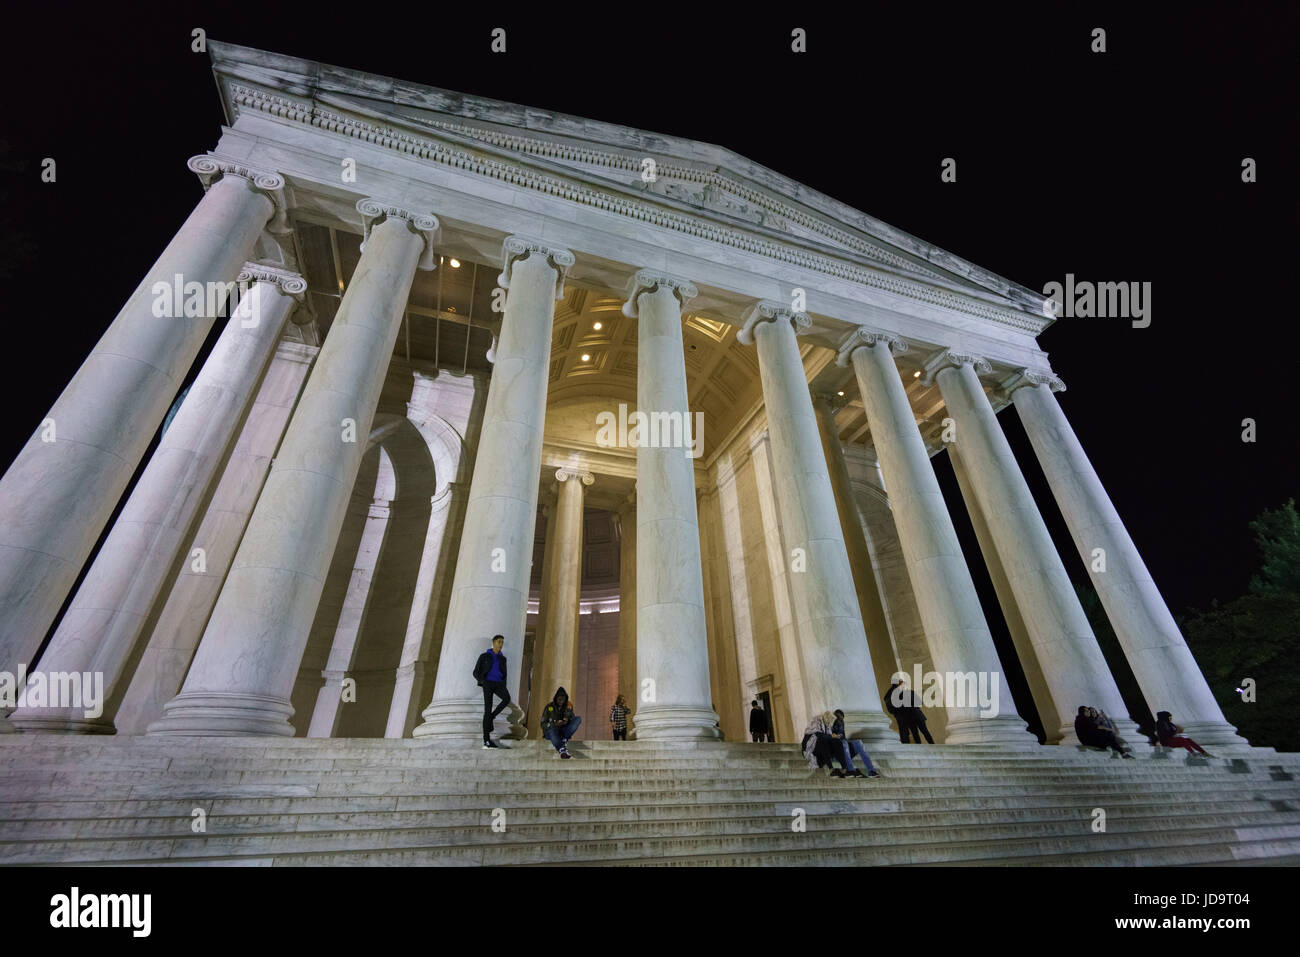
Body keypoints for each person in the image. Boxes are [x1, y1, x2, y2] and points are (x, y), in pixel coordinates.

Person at [472, 634, 510, 749]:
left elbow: (505, 674)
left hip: (498, 684)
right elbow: (475, 672)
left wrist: (503, 685)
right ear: (493, 643)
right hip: (488, 683)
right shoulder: (484, 656)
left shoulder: (503, 658)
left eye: (502, 642)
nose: (501, 644)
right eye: (499, 642)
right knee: (487, 709)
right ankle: (486, 741)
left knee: (507, 699)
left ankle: (491, 717)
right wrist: (483, 681)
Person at [831, 709, 880, 778]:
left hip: (844, 750)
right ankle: (850, 770)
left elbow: (842, 736)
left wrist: (840, 736)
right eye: (838, 718)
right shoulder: (827, 724)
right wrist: (834, 736)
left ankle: (871, 771)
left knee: (858, 742)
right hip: (835, 752)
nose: (839, 720)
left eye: (840, 718)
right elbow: (829, 737)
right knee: (844, 743)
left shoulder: (841, 722)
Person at [886, 676, 933, 744]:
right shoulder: (909, 692)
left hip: (911, 717)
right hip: (915, 715)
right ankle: (931, 744)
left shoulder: (897, 695)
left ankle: (922, 746)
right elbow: (919, 702)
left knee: (916, 733)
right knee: (924, 732)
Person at [801, 711, 850, 776]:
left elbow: (829, 736)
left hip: (824, 748)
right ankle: (831, 768)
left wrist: (835, 737)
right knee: (823, 740)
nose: (829, 723)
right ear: (826, 718)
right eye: (829, 721)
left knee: (837, 741)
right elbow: (818, 735)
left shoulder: (827, 725)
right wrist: (831, 736)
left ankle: (844, 768)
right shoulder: (816, 721)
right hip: (811, 747)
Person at [540, 687, 582, 758]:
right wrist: (555, 724)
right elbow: (542, 724)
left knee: (578, 719)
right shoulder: (549, 707)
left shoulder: (568, 707)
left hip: (562, 731)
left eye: (563, 700)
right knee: (551, 731)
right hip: (551, 730)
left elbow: (572, 720)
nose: (561, 702)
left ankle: (564, 739)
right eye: (559, 700)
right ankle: (562, 750)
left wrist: (567, 720)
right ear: (556, 698)